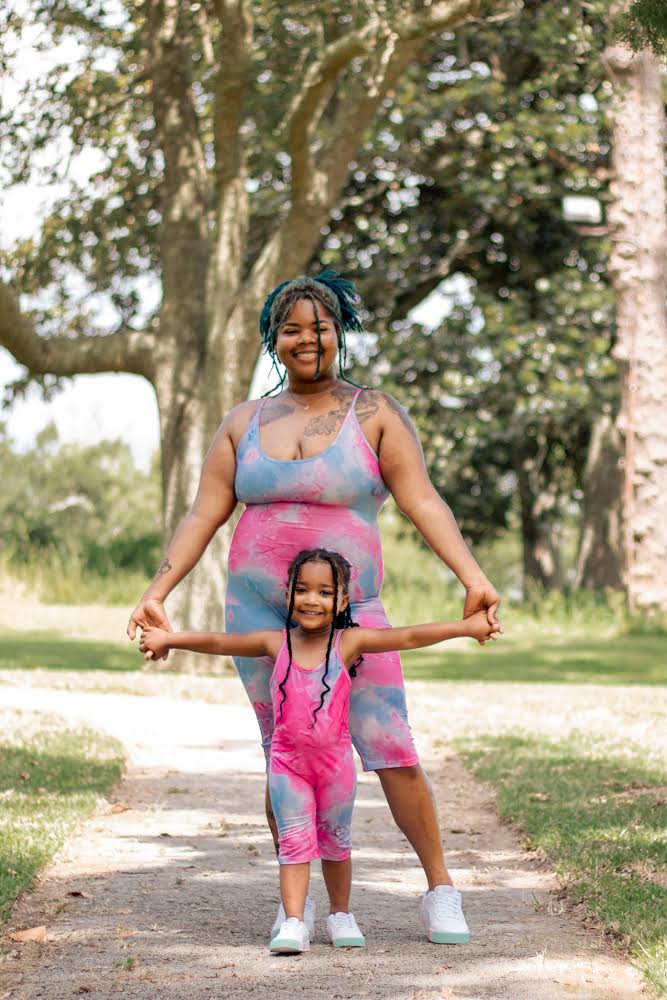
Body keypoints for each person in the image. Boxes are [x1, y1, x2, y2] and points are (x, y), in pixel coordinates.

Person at [127, 269, 501, 944]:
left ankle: (440, 888)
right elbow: (203, 514)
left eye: (319, 326)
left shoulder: (374, 413)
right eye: (291, 328)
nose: (307, 339)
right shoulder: (242, 420)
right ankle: (293, 903)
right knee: (286, 756)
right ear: (274, 339)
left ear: (340, 332)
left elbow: (422, 501)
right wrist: (158, 591)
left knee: (392, 749)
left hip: (351, 613)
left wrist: (470, 576)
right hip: (257, 612)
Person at [139, 547, 501, 953]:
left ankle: (340, 914)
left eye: (325, 592)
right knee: (293, 842)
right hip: (287, 765)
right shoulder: (275, 642)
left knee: (335, 841)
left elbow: (411, 636)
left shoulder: (350, 642)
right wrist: (170, 638)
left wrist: (466, 628)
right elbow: (220, 642)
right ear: (289, 595)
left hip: (334, 767)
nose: (312, 600)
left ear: (343, 600)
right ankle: (294, 921)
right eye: (303, 590)